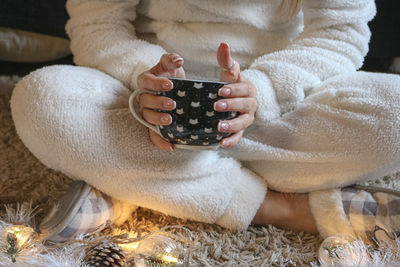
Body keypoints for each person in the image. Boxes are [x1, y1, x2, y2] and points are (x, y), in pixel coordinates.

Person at [10, 0, 400, 244]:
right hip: (146, 110)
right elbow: (97, 27)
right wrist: (143, 78)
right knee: (41, 98)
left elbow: (339, 34)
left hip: (274, 106)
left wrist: (262, 91)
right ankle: (283, 208)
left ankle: (134, 183)